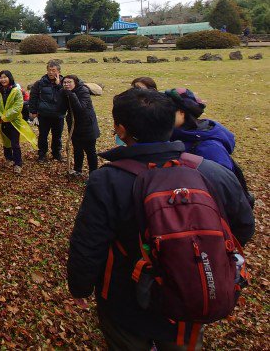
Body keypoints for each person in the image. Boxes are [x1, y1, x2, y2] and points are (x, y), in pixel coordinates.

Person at [68, 88, 255, 351]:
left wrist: (80, 287)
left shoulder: (107, 180)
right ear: (172, 122)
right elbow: (244, 227)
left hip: (125, 297)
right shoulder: (210, 172)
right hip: (191, 290)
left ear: (121, 130)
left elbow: (89, 243)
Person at [163, 88, 236, 172]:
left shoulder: (210, 148)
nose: (161, 113)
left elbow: (222, 180)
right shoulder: (171, 133)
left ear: (182, 113)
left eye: (167, 110)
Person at [0, 70, 37, 173]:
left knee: (15, 143)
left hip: (14, 121)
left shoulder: (16, 91)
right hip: (1, 121)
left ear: (10, 78)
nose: (3, 79)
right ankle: (8, 159)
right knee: (5, 141)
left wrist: (5, 116)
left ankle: (18, 163)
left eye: (5, 77)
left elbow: (18, 106)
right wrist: (0, 117)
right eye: (1, 77)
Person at [61, 75, 100, 177]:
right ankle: (77, 170)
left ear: (75, 83)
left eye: (69, 82)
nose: (66, 84)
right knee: (77, 149)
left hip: (87, 125)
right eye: (64, 82)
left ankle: (93, 173)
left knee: (90, 150)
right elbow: (61, 107)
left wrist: (70, 94)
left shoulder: (83, 91)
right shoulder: (65, 92)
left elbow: (80, 108)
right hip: (74, 126)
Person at [29, 59, 65, 162]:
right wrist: (33, 113)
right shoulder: (40, 83)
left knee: (57, 136)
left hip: (58, 115)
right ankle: (42, 154)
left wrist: (59, 85)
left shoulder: (64, 83)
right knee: (43, 136)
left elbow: (67, 96)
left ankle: (56, 153)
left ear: (59, 72)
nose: (51, 72)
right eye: (49, 70)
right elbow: (33, 98)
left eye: (53, 70)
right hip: (44, 115)